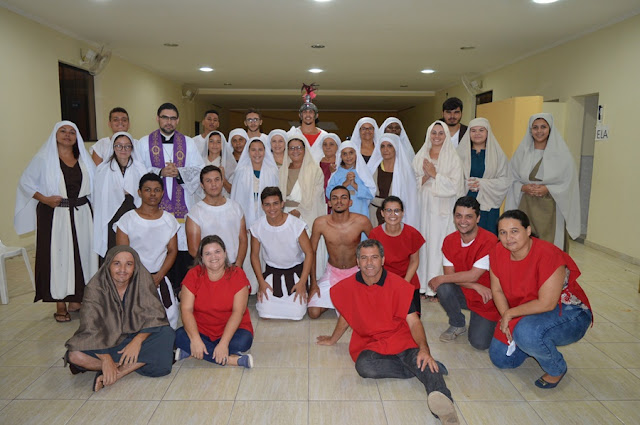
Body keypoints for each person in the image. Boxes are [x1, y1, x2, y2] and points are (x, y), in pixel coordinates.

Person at [317, 239, 459, 425]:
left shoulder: (399, 285)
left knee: (422, 358)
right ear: (357, 261)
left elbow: (414, 322)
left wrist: (424, 348)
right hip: (371, 343)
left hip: (401, 338)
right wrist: (333, 339)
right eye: (364, 258)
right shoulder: (348, 286)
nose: (369, 263)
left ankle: (446, 410)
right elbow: (346, 314)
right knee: (364, 366)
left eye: (374, 257)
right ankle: (424, 369)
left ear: (383, 260)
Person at [489, 210, 592, 389]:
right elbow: (497, 290)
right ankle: (532, 344)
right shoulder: (498, 251)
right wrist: (507, 316)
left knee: (527, 333)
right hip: (527, 309)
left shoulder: (548, 254)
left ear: (528, 230)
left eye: (514, 231)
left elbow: (547, 303)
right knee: (501, 359)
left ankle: (556, 368)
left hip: (568, 311)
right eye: (503, 232)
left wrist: (510, 314)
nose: (508, 238)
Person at [15, 121, 98, 322]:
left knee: (80, 255)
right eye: (63, 131)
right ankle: (60, 303)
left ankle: (76, 299)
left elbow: (95, 185)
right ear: (55, 135)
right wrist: (44, 199)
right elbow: (25, 183)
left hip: (81, 214)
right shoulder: (43, 159)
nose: (67, 135)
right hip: (54, 215)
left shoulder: (84, 159)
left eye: (72, 132)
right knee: (57, 257)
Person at [65, 246, 175, 392]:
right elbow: (90, 326)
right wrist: (105, 358)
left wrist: (137, 341)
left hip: (134, 338)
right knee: (75, 355)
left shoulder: (142, 281)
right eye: (117, 263)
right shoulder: (95, 287)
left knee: (166, 334)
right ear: (108, 265)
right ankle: (123, 366)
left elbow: (155, 316)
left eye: (129, 264)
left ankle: (117, 372)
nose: (122, 269)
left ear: (135, 267)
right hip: (104, 341)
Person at [134, 103, 204, 293]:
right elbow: (137, 170)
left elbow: (199, 169)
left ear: (178, 120)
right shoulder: (144, 143)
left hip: (183, 205)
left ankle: (181, 289)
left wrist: (180, 173)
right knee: (157, 247)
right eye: (165, 117)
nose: (169, 122)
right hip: (154, 208)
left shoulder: (188, 143)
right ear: (157, 118)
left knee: (182, 247)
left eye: (173, 118)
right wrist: (160, 172)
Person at [427, 197, 500, 350]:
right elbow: (450, 275)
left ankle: (494, 321)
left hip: (486, 298)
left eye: (469, 216)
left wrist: (441, 278)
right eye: (459, 216)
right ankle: (457, 324)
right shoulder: (449, 240)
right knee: (444, 287)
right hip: (470, 291)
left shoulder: (489, 240)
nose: (463, 221)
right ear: (454, 217)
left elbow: (473, 275)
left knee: (479, 344)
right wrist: (475, 286)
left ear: (478, 218)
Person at [174, 235, 254, 368]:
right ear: (201, 258)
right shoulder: (193, 274)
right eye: (208, 253)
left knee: (243, 342)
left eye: (217, 252)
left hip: (233, 330)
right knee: (178, 336)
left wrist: (223, 343)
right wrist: (195, 339)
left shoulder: (237, 274)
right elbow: (186, 310)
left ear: (225, 253)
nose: (213, 257)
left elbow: (238, 312)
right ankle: (232, 360)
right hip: (202, 330)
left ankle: (194, 352)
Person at [505, 113, 580, 249]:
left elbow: (569, 182)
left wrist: (548, 189)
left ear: (550, 129)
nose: (539, 131)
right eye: (535, 127)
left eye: (543, 127)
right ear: (530, 130)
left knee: (548, 246)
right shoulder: (522, 153)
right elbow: (510, 178)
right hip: (526, 205)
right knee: (526, 242)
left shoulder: (562, 154)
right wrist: (523, 187)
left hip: (550, 208)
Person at [115, 173, 180, 329]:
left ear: (162, 193)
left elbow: (172, 251)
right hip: (133, 278)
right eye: (148, 190)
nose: (152, 194)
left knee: (169, 319)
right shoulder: (127, 220)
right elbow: (123, 254)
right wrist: (142, 277)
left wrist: (159, 276)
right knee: (132, 321)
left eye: (157, 190)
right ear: (139, 192)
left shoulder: (169, 220)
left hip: (159, 277)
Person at [412, 121, 465, 298]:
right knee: (424, 244)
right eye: (433, 132)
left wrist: (435, 174)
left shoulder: (453, 158)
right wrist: (426, 177)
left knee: (438, 244)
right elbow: (411, 182)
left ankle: (438, 287)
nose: (436, 136)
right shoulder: (420, 156)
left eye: (441, 133)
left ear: (446, 135)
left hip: (443, 207)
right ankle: (422, 285)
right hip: (423, 206)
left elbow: (456, 186)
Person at [308, 186, 372, 319]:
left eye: (343, 197)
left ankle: (343, 301)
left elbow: (377, 247)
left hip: (356, 273)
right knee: (313, 312)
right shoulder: (320, 223)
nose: (339, 201)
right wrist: (313, 283)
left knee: (367, 312)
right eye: (335, 198)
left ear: (350, 202)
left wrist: (372, 277)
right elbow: (311, 252)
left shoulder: (362, 221)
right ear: (329, 203)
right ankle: (341, 301)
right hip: (332, 273)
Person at [251, 187, 314, 320]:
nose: (271, 208)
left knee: (297, 314)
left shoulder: (296, 224)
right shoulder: (257, 226)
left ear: (282, 204)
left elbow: (309, 253)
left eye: (275, 203)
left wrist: (302, 282)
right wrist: (261, 282)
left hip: (295, 273)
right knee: (264, 313)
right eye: (267, 204)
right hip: (272, 273)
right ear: (262, 206)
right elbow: (254, 256)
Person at [230, 137, 279, 293]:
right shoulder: (241, 171)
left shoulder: (272, 171)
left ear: (265, 151)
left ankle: (265, 285)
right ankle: (248, 286)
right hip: (246, 219)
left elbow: (276, 197)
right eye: (253, 150)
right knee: (248, 252)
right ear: (248, 152)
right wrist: (241, 221)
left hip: (267, 217)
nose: (257, 153)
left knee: (266, 252)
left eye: (260, 150)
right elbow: (236, 198)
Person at [92, 132, 147, 262]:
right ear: (113, 147)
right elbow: (99, 195)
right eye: (119, 146)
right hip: (110, 213)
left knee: (133, 246)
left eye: (127, 146)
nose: (123, 149)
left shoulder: (140, 168)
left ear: (132, 148)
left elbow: (144, 191)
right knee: (113, 247)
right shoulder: (103, 169)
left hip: (133, 210)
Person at [369, 196, 425, 314]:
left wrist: (404, 283)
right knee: (384, 317)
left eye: (397, 210)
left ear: (402, 213)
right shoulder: (375, 234)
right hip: (384, 279)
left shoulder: (412, 233)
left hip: (408, 279)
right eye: (388, 210)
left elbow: (414, 261)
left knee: (413, 319)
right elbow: (374, 263)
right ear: (382, 213)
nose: (393, 214)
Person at [186, 165, 247, 269]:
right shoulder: (195, 212)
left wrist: (238, 265)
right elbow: (194, 249)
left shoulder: (235, 207)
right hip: (209, 269)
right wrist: (213, 267)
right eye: (208, 181)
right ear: (202, 185)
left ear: (222, 181)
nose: (213, 184)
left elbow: (243, 239)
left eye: (217, 179)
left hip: (234, 267)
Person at [457, 118, 511, 235]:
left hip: (488, 204)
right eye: (473, 130)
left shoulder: (498, 155)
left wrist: (482, 184)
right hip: (466, 201)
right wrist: (466, 183)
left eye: (481, 130)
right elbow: (453, 178)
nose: (477, 133)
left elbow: (505, 180)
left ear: (488, 132)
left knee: (487, 237)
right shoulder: (459, 154)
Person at [367, 133, 419, 227]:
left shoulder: (405, 171)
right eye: (382, 146)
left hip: (396, 216)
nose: (385, 149)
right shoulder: (372, 168)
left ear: (396, 147)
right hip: (374, 214)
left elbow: (410, 198)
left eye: (390, 146)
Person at [326, 140, 376, 218]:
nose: (348, 157)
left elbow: (371, 194)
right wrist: (345, 184)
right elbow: (329, 193)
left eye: (351, 153)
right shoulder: (336, 172)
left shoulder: (363, 172)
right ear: (340, 156)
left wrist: (354, 185)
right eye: (345, 154)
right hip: (339, 213)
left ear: (356, 154)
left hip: (360, 211)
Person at [310, 132, 341, 213]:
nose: (328, 147)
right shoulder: (316, 163)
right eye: (325, 144)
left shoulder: (341, 163)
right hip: (318, 200)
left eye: (331, 144)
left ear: (337, 147)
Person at [200, 131, 235, 197]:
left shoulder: (229, 164)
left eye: (218, 142)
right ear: (207, 143)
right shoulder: (199, 161)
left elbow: (232, 190)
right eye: (211, 141)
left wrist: (223, 179)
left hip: (222, 199)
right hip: (202, 198)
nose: (214, 145)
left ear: (222, 145)